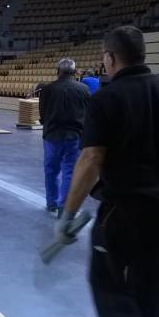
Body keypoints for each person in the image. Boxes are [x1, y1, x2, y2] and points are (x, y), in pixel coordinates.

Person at [58, 26, 159, 317]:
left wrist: (68, 215)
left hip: (123, 214)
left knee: (108, 287)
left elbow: (91, 159)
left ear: (111, 57)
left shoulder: (106, 98)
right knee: (151, 292)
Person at [39, 58, 90, 217]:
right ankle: (63, 207)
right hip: (74, 137)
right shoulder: (84, 89)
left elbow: (42, 114)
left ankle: (51, 203)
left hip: (52, 136)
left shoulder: (48, 90)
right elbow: (88, 115)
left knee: (51, 170)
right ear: (75, 73)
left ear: (57, 71)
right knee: (69, 171)